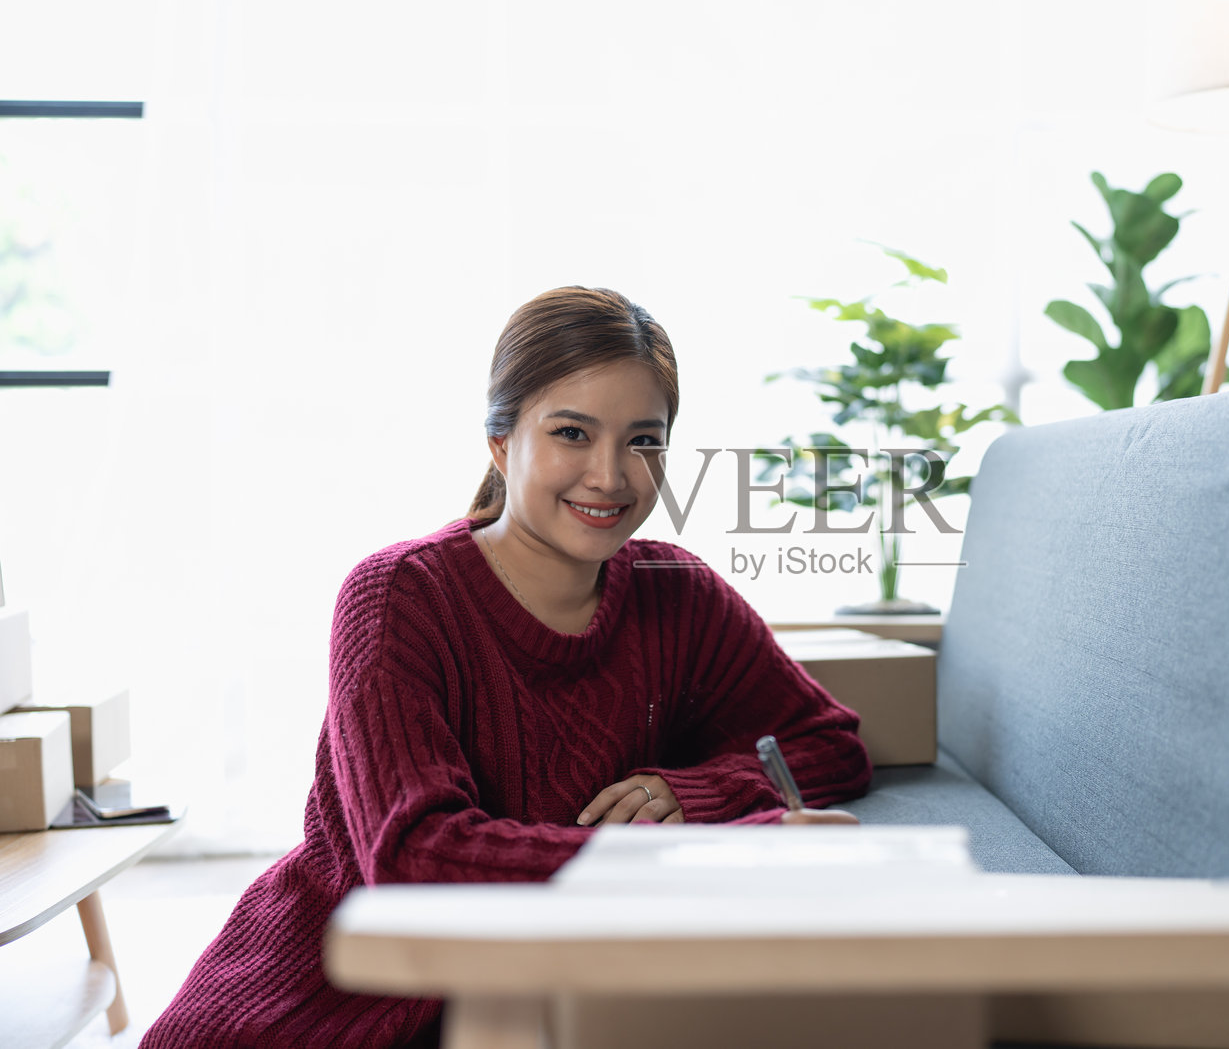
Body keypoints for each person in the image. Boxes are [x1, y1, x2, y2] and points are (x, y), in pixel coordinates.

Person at [142, 287, 872, 1048]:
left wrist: (692, 795)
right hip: (334, 1003)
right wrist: (708, 856)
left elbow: (829, 744)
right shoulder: (398, 596)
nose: (610, 476)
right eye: (572, 433)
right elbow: (415, 859)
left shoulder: (676, 593)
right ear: (500, 441)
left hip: (542, 1000)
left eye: (642, 440)